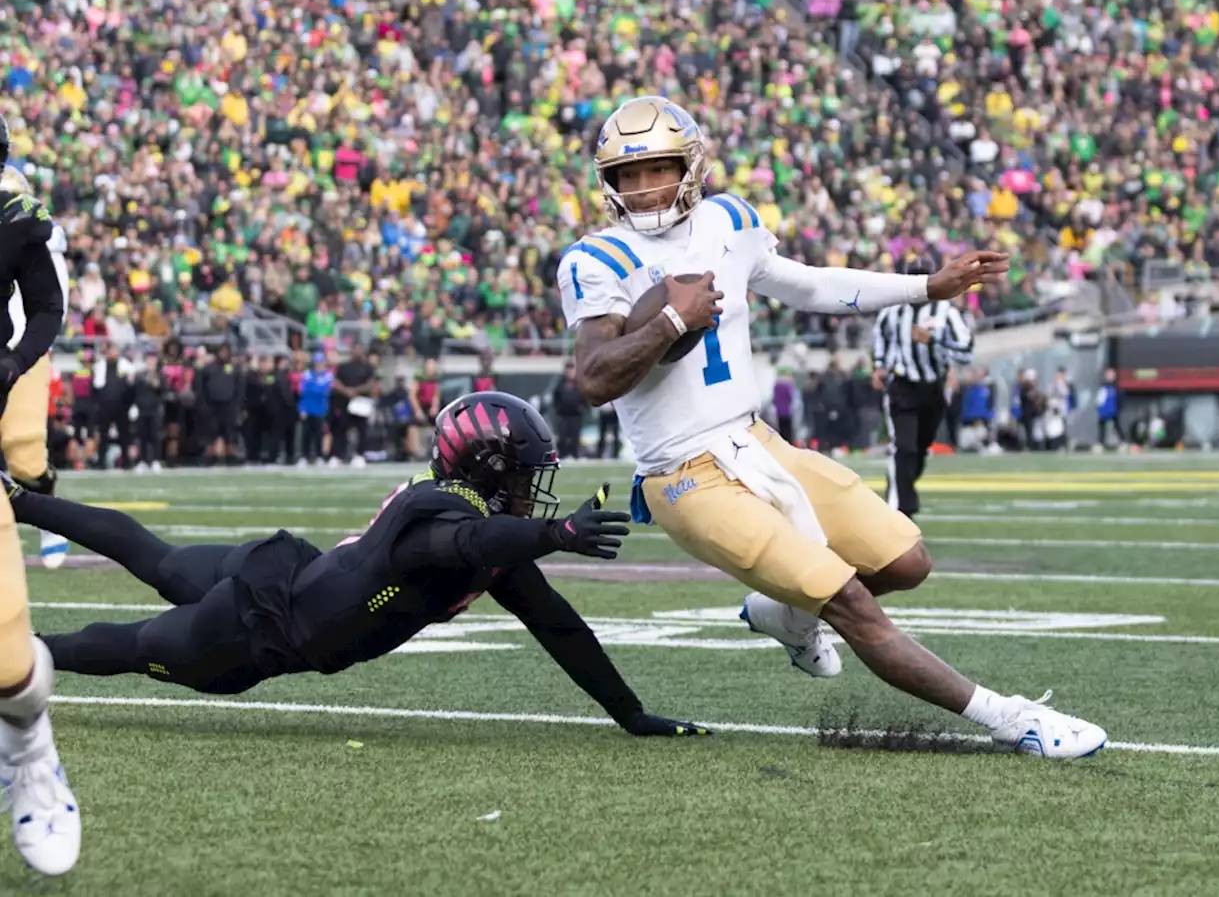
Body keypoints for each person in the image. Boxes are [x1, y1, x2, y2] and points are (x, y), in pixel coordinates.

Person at [558, 96, 1104, 758]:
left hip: (756, 442)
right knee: (849, 601)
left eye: (658, 169)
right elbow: (592, 378)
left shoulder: (729, 219)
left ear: (692, 163)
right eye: (627, 174)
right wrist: (673, 321)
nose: (643, 188)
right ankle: (1016, 720)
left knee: (905, 560)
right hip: (683, 476)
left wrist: (926, 287)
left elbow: (811, 287)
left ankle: (782, 614)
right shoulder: (598, 258)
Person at [11, 392, 708, 739]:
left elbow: (558, 625)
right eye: (524, 473)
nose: (532, 487)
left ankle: (15, 499)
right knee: (137, 645)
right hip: (267, 631)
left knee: (154, 554)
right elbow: (457, 547)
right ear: (488, 468)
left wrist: (630, 712)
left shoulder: (483, 529)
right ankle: (11, 660)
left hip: (283, 574)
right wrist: (555, 531)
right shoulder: (451, 521)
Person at [0, 114, 80, 876]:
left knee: (4, 655)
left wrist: (15, 362)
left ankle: (27, 744)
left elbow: (46, 305)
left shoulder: (15, 213)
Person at [0, 162, 72, 565]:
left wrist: (24, 352)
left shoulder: (29, 232)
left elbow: (50, 304)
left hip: (20, 351)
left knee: (25, 454)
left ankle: (50, 518)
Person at [871, 257, 975, 517]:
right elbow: (880, 338)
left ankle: (903, 492)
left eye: (923, 277)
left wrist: (934, 340)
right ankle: (899, 510)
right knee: (902, 447)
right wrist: (879, 365)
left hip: (932, 388)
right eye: (913, 277)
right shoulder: (892, 310)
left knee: (918, 449)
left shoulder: (946, 312)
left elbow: (966, 350)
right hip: (902, 385)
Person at [551, 361, 586, 459]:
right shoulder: (560, 385)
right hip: (563, 415)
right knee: (562, 436)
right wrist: (558, 409)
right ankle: (562, 455)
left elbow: (585, 398)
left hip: (576, 415)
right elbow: (556, 398)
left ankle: (575, 455)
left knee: (575, 436)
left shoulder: (579, 385)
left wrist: (582, 407)